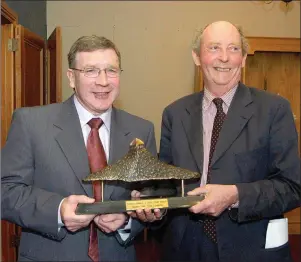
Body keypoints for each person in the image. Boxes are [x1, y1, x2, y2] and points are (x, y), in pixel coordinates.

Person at [1, 35, 157, 262]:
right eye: (91, 71)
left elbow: (153, 198)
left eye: (111, 70)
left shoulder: (141, 130)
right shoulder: (31, 123)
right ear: (71, 77)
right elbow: (5, 191)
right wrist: (58, 209)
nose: (103, 81)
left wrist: (127, 221)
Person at [156, 21, 300, 262]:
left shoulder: (274, 110)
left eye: (233, 49)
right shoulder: (175, 114)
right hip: (184, 247)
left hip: (251, 248)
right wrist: (149, 201)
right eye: (214, 48)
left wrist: (235, 195)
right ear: (197, 57)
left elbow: (292, 186)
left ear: (243, 58)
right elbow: (165, 183)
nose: (224, 58)